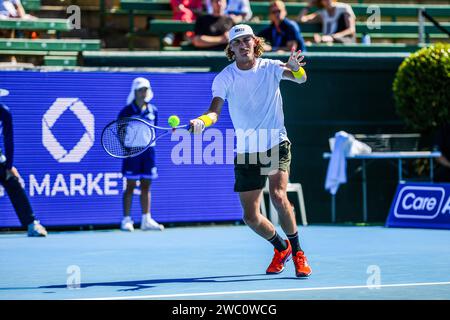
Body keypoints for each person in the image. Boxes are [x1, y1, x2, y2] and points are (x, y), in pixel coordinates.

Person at [189, 24, 312, 277]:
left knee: (278, 196)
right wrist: (203, 121)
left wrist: (296, 66)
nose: (243, 45)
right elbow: (214, 111)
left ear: (255, 43)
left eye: (247, 40)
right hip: (246, 150)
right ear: (231, 49)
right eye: (238, 42)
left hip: (275, 142)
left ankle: (299, 252)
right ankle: (281, 247)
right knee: (251, 216)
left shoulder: (272, 68)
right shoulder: (225, 77)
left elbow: (301, 79)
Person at [118, 78, 164, 232]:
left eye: (145, 89)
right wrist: (128, 148)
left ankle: (146, 219)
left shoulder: (153, 110)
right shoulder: (126, 111)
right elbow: (120, 132)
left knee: (146, 186)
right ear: (135, 91)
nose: (143, 92)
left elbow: (153, 132)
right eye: (140, 90)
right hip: (132, 152)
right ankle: (126, 220)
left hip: (149, 152)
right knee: (130, 186)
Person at [0, 88, 47, 237]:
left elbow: (9, 140)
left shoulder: (4, 112)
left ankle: (32, 224)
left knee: (13, 182)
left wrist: (8, 166)